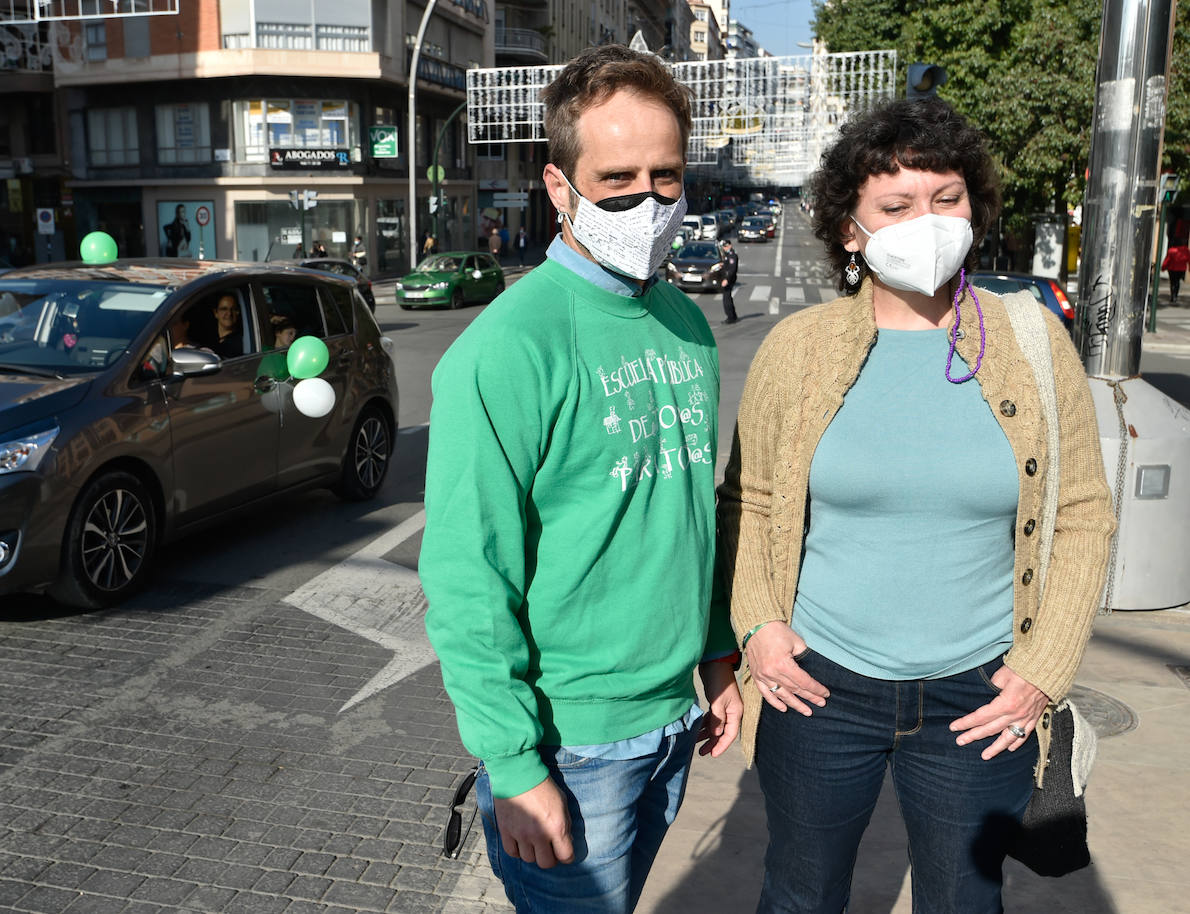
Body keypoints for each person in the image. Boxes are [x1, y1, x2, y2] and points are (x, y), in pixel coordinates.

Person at [718, 97, 1116, 913]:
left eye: (947, 198)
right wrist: (758, 627)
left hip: (982, 693)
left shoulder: (1033, 340)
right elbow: (749, 501)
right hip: (818, 686)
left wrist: (1041, 674)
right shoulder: (797, 350)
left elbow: (1082, 513)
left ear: (975, 206)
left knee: (967, 901)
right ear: (850, 231)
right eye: (895, 206)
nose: (926, 221)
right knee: (798, 894)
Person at [421, 44, 743, 914]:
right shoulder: (504, 350)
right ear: (559, 187)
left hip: (675, 721)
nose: (648, 201)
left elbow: (687, 514)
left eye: (666, 176)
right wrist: (516, 764)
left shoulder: (684, 323)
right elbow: (465, 575)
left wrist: (715, 657)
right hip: (574, 748)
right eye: (617, 179)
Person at [209, 294, 245, 359]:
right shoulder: (209, 341)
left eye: (233, 309)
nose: (229, 313)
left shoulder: (242, 343)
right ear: (215, 313)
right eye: (224, 309)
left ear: (238, 312)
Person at [718, 238, 738, 324]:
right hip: (727, 278)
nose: (725, 248)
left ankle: (730, 317)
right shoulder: (727, 255)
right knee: (728, 297)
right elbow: (727, 265)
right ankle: (733, 315)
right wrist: (722, 264)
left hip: (729, 280)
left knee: (726, 299)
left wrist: (726, 279)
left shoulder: (732, 255)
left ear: (730, 245)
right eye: (724, 247)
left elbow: (732, 270)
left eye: (726, 246)